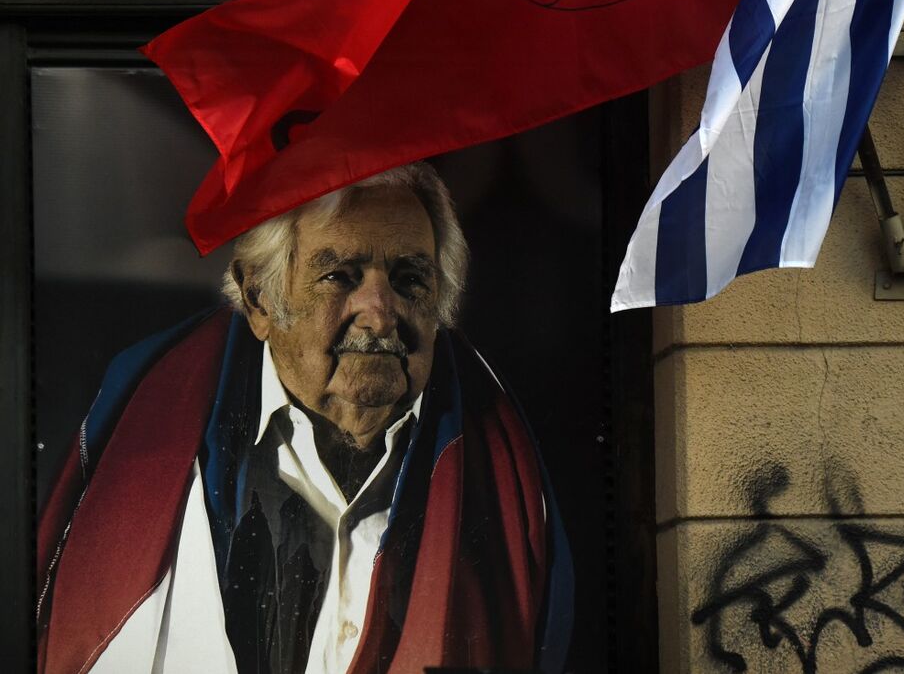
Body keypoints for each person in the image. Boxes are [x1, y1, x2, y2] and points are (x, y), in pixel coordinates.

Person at [36, 162, 573, 674]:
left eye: (410, 279)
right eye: (340, 275)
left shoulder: (510, 462)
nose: (380, 311)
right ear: (260, 299)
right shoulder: (146, 432)